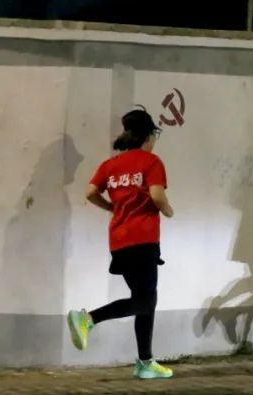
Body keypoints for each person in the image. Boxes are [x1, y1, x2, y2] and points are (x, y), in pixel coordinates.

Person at [67, 108, 176, 379]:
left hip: (118, 240)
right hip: (143, 239)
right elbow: (157, 195)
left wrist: (112, 208)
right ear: (149, 136)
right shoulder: (151, 162)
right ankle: (88, 318)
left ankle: (146, 362)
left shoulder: (111, 165)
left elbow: (90, 192)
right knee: (145, 300)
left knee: (144, 299)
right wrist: (168, 210)